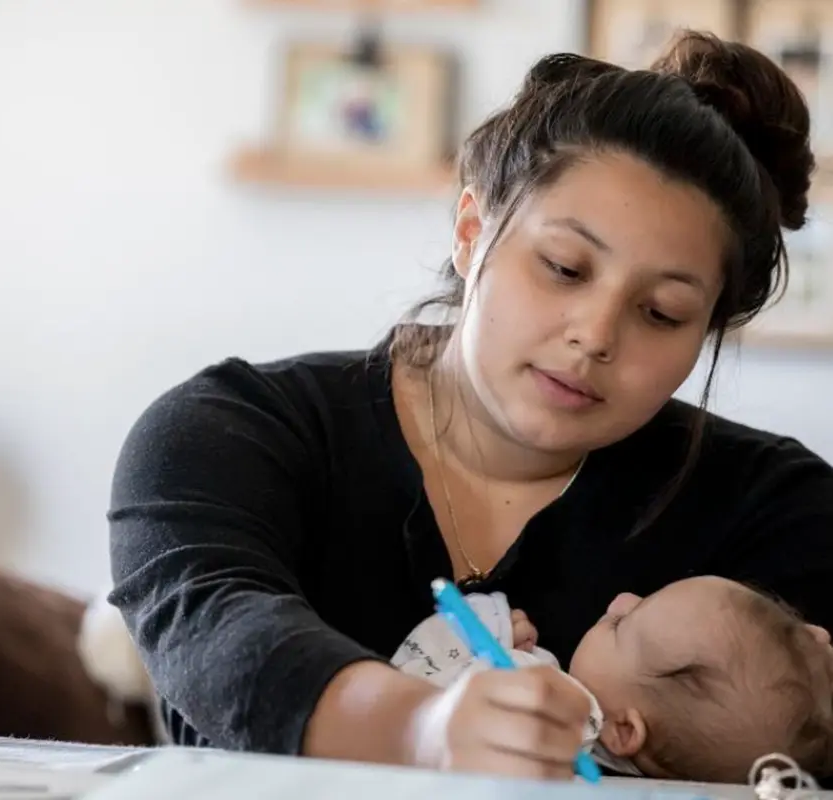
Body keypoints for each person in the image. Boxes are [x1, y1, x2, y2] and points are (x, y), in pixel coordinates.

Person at [107, 29, 833, 782]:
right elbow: (219, 640)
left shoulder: (776, 510)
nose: (593, 336)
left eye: (661, 313)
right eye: (562, 267)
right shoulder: (231, 432)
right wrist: (425, 730)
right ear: (470, 230)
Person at [392, 577, 833, 784]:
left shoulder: (544, 702)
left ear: (624, 730)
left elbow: (417, 674)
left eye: (622, 624)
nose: (620, 598)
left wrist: (490, 624)